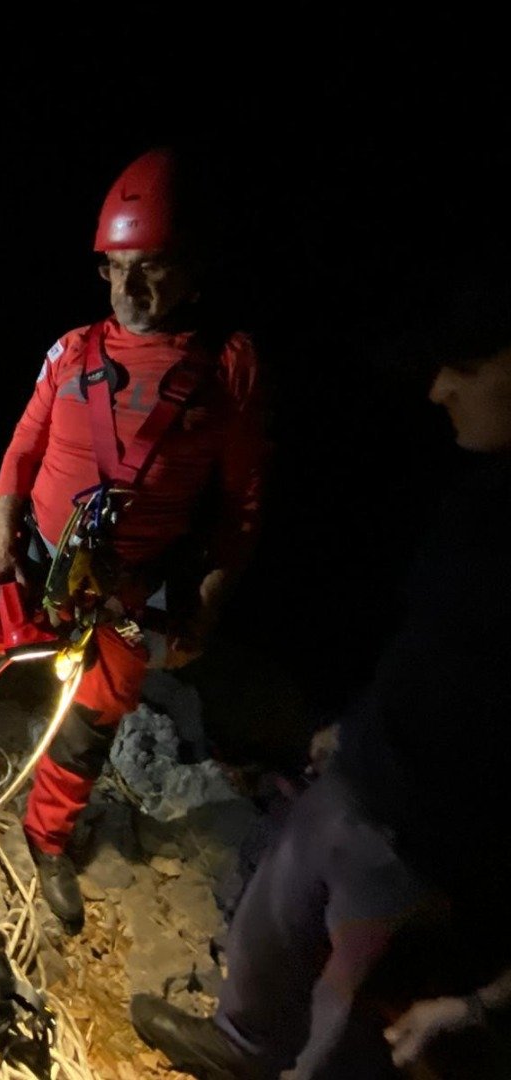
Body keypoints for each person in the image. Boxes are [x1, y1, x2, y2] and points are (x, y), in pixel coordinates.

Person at [0, 147, 269, 934]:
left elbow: (241, 504)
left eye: (153, 266)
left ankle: (49, 837)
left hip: (128, 598)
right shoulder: (71, 353)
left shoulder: (227, 371)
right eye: (115, 267)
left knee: (92, 722)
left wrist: (206, 604)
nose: (129, 288)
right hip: (29, 569)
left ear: (194, 269)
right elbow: (20, 453)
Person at [130, 286, 511, 1078]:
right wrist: (356, 722)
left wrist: (490, 1001)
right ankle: (237, 1047)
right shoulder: (482, 503)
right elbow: (430, 645)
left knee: (345, 1037)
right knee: (266, 943)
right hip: (355, 779)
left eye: (466, 367)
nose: (438, 388)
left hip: (428, 852)